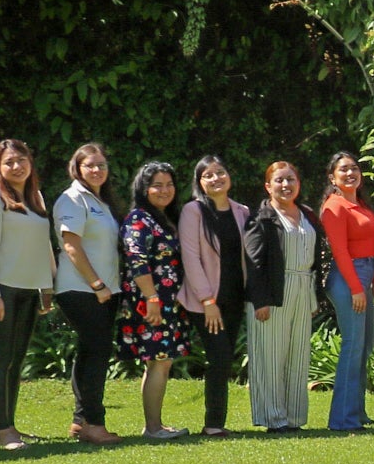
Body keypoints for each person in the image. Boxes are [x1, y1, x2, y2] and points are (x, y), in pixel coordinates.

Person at [0, 139, 59, 450]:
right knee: (1, 359)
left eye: (21, 160)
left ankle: (11, 425)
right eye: (9, 162)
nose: (16, 167)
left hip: (29, 289)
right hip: (2, 290)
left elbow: (44, 243)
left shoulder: (34, 198)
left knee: (16, 359)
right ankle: (3, 432)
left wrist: (47, 286)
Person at [52, 143, 126, 445]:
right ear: (77, 169)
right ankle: (95, 423)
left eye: (101, 165)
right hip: (83, 289)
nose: (97, 170)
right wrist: (97, 284)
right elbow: (71, 245)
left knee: (91, 352)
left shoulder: (101, 201)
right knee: (96, 354)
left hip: (104, 291)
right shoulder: (72, 199)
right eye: (90, 165)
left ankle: (80, 421)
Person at [243, 160, 325, 433]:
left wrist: (313, 297)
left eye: (290, 179)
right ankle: (274, 418)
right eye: (279, 180)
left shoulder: (308, 215)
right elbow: (253, 263)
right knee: (271, 356)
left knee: (297, 356)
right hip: (274, 292)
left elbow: (315, 260)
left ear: (298, 184)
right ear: (268, 186)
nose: (285, 185)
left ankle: (293, 418)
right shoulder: (262, 219)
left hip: (303, 290)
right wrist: (260, 300)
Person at [118, 161, 194, 440]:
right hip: (150, 302)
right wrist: (151, 297)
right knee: (158, 362)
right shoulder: (138, 220)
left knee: (160, 362)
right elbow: (136, 260)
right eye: (157, 185)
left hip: (167, 302)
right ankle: (153, 428)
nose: (164, 190)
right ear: (144, 189)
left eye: (169, 184)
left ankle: (154, 424)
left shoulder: (165, 219)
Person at [179, 156, 252, 438]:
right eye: (208, 175)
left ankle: (216, 424)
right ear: (200, 182)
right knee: (219, 357)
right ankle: (213, 425)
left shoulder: (242, 211)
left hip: (234, 297)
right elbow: (191, 257)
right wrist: (207, 301)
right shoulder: (193, 211)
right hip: (205, 301)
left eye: (220, 172)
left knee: (224, 359)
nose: (216, 178)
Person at [317, 153, 374, 432]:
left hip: (363, 276)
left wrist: (373, 280)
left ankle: (357, 412)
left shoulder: (360, 204)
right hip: (347, 279)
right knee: (352, 347)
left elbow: (368, 243)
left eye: (354, 168)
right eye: (343, 170)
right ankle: (342, 420)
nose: (350, 173)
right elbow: (340, 251)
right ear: (333, 178)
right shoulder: (334, 206)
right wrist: (356, 287)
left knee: (363, 346)